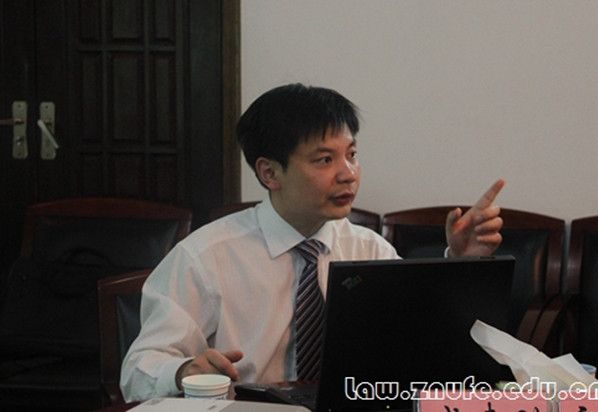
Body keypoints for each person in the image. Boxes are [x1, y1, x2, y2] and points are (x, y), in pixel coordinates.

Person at [120, 83, 504, 401]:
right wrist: (184, 370)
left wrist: (462, 264)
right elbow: (138, 370)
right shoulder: (205, 257)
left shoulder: (370, 251)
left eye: (351, 155)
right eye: (324, 160)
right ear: (270, 173)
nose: (348, 174)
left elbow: (424, 352)